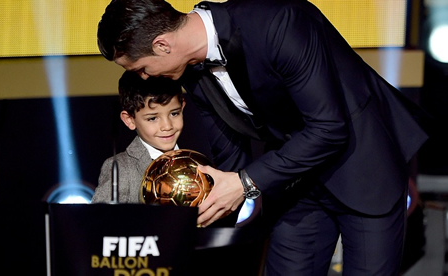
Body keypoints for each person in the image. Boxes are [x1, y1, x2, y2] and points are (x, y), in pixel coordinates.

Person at [96, 0, 430, 275]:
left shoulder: (278, 22)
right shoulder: (190, 70)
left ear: (162, 44)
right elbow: (230, 153)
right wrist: (195, 220)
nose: (145, 78)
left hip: (362, 166)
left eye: (140, 69)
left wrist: (244, 183)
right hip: (292, 181)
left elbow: (329, 127)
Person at [92, 70, 185, 203]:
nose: (167, 126)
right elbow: (100, 219)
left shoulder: (195, 164)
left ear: (182, 107)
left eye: (174, 114)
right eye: (153, 118)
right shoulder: (121, 168)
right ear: (129, 120)